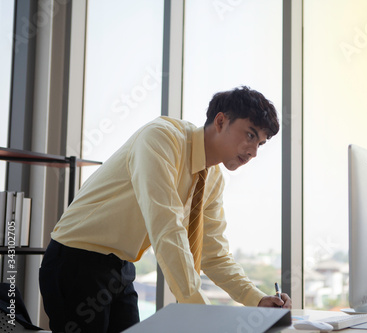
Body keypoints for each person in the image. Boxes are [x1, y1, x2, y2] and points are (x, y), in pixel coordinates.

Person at [39, 86, 291, 333]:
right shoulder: (162, 139)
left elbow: (213, 254)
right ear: (221, 120)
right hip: (76, 259)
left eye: (260, 143)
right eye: (250, 135)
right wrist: (199, 311)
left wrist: (256, 299)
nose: (254, 152)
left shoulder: (212, 179)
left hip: (121, 267)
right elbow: (166, 227)